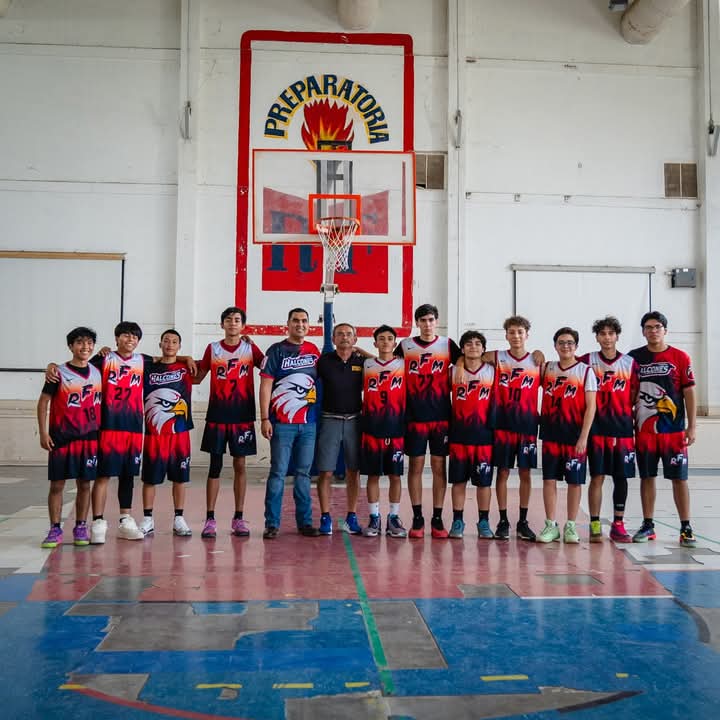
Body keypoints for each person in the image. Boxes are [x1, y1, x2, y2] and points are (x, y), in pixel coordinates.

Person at [194, 307, 264, 539]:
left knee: (240, 466)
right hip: (217, 415)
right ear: (222, 324)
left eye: (237, 320)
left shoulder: (250, 348)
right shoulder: (213, 349)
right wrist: (181, 361)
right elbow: (197, 376)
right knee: (214, 467)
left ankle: (238, 517)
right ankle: (210, 519)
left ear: (243, 325)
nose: (232, 323)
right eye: (228, 319)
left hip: (242, 416)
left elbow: (269, 368)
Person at [629, 311, 697, 547]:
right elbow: (629, 393)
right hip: (645, 433)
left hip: (674, 431)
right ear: (643, 331)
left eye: (657, 326)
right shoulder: (634, 358)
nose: (653, 331)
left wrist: (692, 426)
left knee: (679, 479)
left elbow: (689, 392)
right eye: (648, 327)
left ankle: (686, 527)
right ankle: (648, 524)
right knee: (647, 477)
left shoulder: (680, 357)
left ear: (665, 330)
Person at [396, 304, 461, 539]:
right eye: (422, 320)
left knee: (438, 467)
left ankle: (437, 517)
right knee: (415, 466)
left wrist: (460, 364)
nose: (427, 324)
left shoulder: (448, 345)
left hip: (441, 416)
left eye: (431, 319)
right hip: (414, 416)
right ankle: (417, 517)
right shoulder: (405, 346)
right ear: (417, 323)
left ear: (437, 321)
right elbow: (388, 363)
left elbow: (470, 359)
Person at [37, 327, 102, 548]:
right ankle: (55, 529)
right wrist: (43, 432)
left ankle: (80, 526)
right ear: (71, 346)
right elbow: (43, 402)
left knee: (85, 484)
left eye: (89, 342)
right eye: (80, 342)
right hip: (62, 437)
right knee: (57, 485)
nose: (85, 347)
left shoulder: (97, 372)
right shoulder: (58, 373)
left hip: (89, 438)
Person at [259, 308, 321, 538]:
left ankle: (305, 523)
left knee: (304, 474)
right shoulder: (276, 350)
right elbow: (265, 386)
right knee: (278, 472)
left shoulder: (313, 351)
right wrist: (264, 418)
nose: (300, 324)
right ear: (288, 324)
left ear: (309, 325)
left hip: (308, 424)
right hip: (282, 424)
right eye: (296, 320)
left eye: (304, 320)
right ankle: (272, 524)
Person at [578, 316, 638, 543]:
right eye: (602, 333)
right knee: (597, 476)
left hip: (622, 429)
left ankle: (618, 524)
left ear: (617, 336)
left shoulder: (629, 363)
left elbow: (634, 394)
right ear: (597, 337)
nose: (607, 337)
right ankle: (595, 524)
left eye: (611, 333)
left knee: (621, 478)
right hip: (597, 429)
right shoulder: (587, 361)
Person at [483, 316, 542, 541]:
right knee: (503, 473)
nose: (516, 336)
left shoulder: (538, 362)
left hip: (527, 426)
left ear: (527, 335)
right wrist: (459, 364)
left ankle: (523, 522)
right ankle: (503, 520)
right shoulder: (496, 357)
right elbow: (469, 356)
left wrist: (540, 352)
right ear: (506, 335)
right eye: (512, 332)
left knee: (526, 473)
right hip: (502, 425)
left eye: (520, 332)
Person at [537, 327, 597, 543]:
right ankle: (550, 525)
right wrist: (537, 353)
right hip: (551, 434)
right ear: (555, 346)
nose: (565, 346)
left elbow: (591, 407)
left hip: (574, 436)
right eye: (561, 342)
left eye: (570, 342)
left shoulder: (585, 371)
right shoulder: (548, 368)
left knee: (574, 482)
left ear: (576, 346)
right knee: (549, 480)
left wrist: (584, 437)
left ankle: (570, 525)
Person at [139, 329, 194, 537]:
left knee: (180, 477)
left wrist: (187, 358)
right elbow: (125, 360)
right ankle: (147, 518)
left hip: (180, 432)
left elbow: (209, 365)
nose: (170, 344)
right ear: (160, 344)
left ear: (179, 346)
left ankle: (179, 518)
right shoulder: (147, 367)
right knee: (150, 479)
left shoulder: (186, 368)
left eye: (174, 342)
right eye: (166, 341)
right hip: (154, 433)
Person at [316, 323, 365, 535]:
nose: (344, 337)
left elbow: (384, 363)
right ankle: (325, 517)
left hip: (355, 421)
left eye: (348, 334)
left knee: (353, 471)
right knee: (326, 471)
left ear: (355, 339)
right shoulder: (323, 362)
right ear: (333, 339)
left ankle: (351, 516)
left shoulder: (362, 362)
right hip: (330, 420)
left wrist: (363, 352)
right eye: (340, 334)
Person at [360, 325, 408, 538]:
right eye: (382, 338)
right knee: (373, 475)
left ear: (395, 343)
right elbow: (377, 363)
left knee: (395, 475)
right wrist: (359, 351)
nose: (386, 341)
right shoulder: (367, 365)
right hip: (371, 428)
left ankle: (393, 517)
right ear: (375, 343)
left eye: (390, 338)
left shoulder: (403, 364)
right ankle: (374, 517)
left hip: (395, 428)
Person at [447, 331, 495, 539]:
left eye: (477, 343)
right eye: (468, 344)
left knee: (483, 483)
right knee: (458, 481)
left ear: (483, 349)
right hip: (459, 435)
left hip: (484, 435)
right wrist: (459, 364)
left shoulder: (493, 371)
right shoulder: (452, 372)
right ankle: (457, 521)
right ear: (462, 349)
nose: (473, 347)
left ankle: (483, 522)